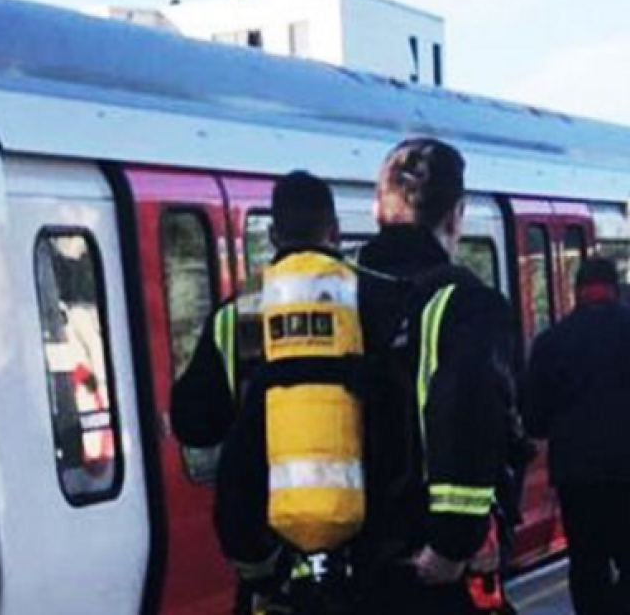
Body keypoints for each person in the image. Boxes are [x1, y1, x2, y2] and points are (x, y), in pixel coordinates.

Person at [352, 138, 516, 614]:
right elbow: (465, 413)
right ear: (456, 214)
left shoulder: (326, 295)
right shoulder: (467, 305)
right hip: (420, 568)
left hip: (335, 566)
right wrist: (452, 543)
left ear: (377, 209)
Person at [171, 170, 342, 610]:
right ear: (335, 231)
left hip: (275, 566)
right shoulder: (368, 302)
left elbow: (195, 425)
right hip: (360, 565)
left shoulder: (239, 316)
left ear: (272, 234)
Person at [522, 257, 630, 615]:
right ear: (615, 288)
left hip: (578, 479)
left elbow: (534, 420)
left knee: (587, 564)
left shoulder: (551, 342)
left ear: (576, 292)